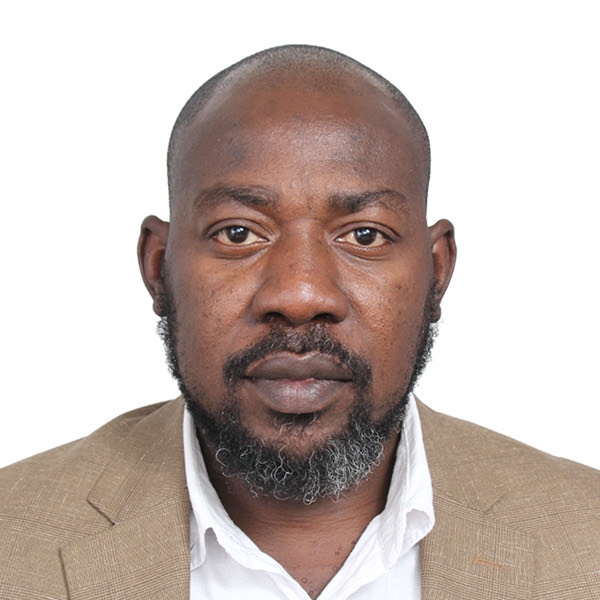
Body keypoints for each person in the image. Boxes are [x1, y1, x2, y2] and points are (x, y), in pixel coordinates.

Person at [0, 45, 598, 600]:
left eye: (364, 235)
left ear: (436, 273)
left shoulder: (584, 537)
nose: (301, 294)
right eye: (239, 233)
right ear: (158, 267)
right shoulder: (12, 540)